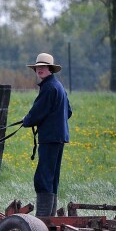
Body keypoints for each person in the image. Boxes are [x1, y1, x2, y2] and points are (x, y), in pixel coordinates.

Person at [22, 53, 72, 216]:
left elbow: (37, 113)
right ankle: (49, 218)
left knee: (43, 178)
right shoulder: (58, 87)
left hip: (50, 138)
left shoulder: (49, 87)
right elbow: (68, 112)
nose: (40, 69)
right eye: (38, 67)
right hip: (58, 137)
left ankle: (43, 220)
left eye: (43, 67)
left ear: (50, 69)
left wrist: (27, 120)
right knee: (52, 178)